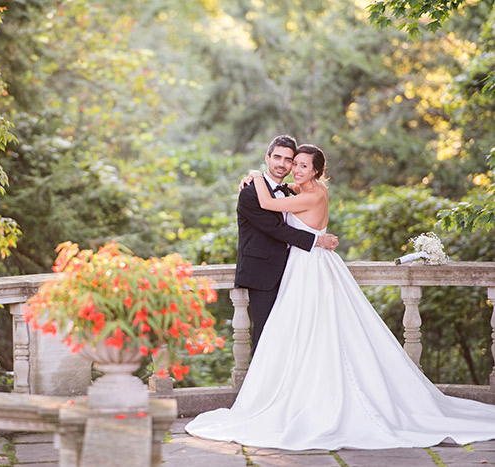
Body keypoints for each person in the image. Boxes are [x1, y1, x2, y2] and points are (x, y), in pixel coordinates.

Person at [185, 145, 495, 450]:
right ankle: (295, 395)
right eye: (294, 163)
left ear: (317, 171)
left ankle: (315, 401)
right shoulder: (301, 189)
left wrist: (254, 174)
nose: (295, 168)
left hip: (308, 268)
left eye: (302, 164)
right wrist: (261, 181)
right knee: (295, 334)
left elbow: (269, 205)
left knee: (315, 331)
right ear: (271, 159)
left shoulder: (310, 193)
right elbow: (278, 195)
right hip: (300, 265)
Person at [234, 135, 338, 353]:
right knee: (265, 337)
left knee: (298, 334)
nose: (283, 164)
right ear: (268, 158)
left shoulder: (294, 190)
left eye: (289, 160)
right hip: (262, 274)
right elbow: (275, 229)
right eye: (277, 157)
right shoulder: (250, 193)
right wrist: (317, 240)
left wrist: (256, 175)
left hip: (295, 271)